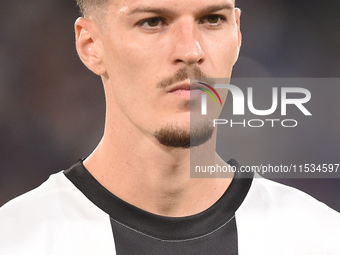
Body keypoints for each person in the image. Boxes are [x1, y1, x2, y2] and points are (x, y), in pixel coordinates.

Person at [0, 0, 339, 254]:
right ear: (91, 45)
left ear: (237, 34)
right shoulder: (18, 241)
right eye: (152, 22)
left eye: (212, 19)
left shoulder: (318, 238)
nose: (190, 51)